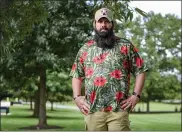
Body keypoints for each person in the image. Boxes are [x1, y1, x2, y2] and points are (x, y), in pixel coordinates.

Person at [70, 7, 148, 131]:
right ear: (94, 24)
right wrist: (77, 97)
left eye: (107, 22)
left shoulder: (125, 46)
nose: (103, 25)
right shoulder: (86, 48)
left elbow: (141, 70)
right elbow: (76, 74)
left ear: (112, 24)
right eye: (100, 22)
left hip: (119, 110)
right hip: (93, 110)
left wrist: (136, 96)